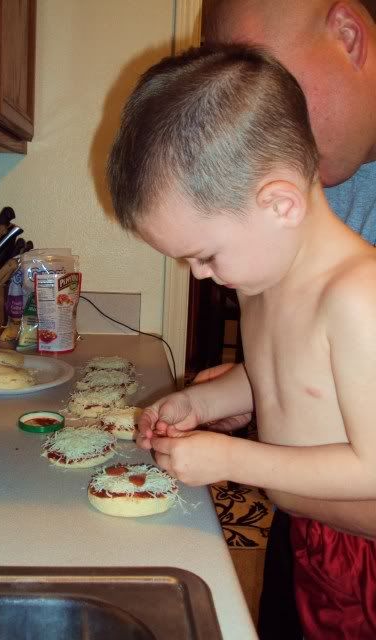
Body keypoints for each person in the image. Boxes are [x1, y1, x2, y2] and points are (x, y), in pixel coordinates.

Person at [106, 44, 376, 639]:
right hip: (303, 533)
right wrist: (203, 403)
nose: (201, 275)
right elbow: (278, 374)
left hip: (362, 559)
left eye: (204, 255)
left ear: (279, 203)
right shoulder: (263, 282)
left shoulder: (358, 297)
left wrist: (233, 459)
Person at [201, 2, 376, 638]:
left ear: (348, 36)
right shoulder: (315, 184)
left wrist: (256, 464)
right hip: (310, 546)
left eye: (268, 84)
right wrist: (255, 387)